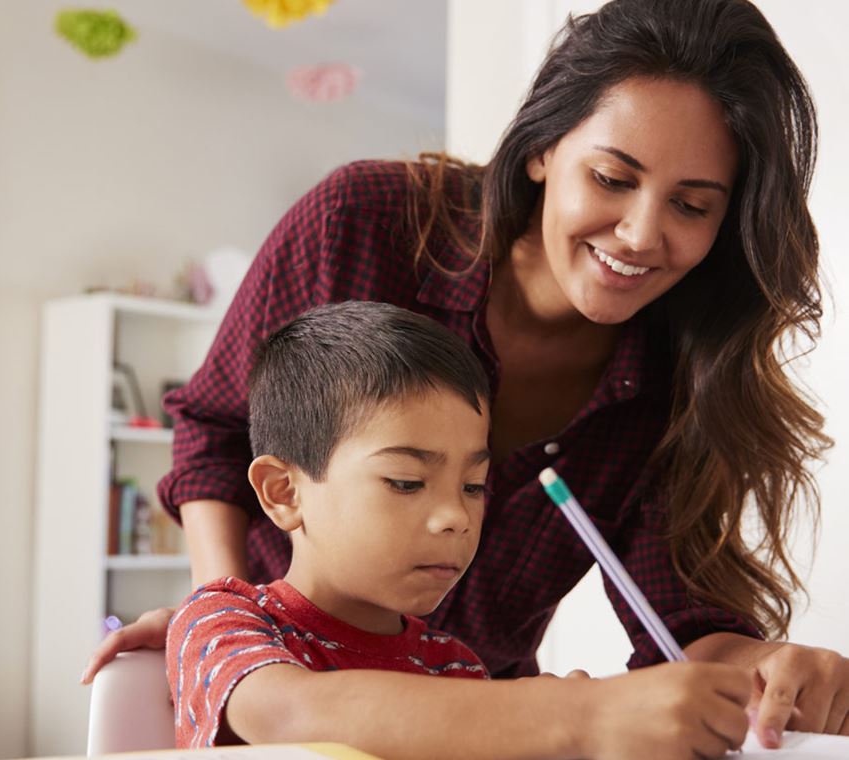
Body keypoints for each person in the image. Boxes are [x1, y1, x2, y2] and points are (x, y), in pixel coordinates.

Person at [85, 0, 849, 751]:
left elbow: (682, 630)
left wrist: (767, 673)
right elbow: (216, 433)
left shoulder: (678, 384)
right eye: (613, 178)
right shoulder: (362, 223)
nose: (642, 233)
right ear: (543, 149)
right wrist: (221, 607)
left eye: (690, 204)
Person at [168, 300, 753, 759]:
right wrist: (579, 712)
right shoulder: (224, 620)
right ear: (284, 492)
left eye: (474, 487)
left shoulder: (453, 666)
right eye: (405, 481)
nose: (457, 515)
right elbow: (294, 717)